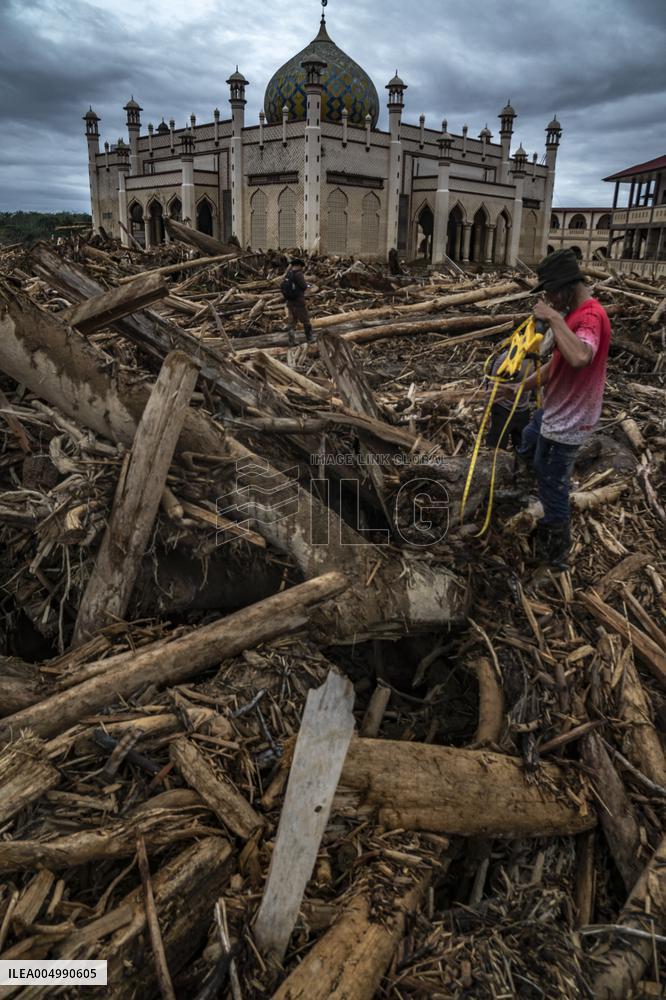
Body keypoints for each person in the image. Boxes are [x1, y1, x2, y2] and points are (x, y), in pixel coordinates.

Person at [498, 248, 611, 568]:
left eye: (549, 291)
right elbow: (556, 366)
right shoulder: (573, 317)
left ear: (564, 288)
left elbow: (579, 357)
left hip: (570, 420)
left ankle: (556, 548)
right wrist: (521, 387)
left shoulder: (589, 316)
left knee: (553, 481)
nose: (548, 297)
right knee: (529, 444)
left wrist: (553, 318)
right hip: (554, 411)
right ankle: (525, 494)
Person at [485, 349, 535, 450]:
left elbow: (537, 380)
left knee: (523, 445)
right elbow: (492, 387)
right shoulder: (505, 359)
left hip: (523, 408)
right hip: (503, 408)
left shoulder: (533, 359)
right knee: (497, 445)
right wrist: (487, 411)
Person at [281, 258, 314, 345]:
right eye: (302, 266)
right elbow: (303, 286)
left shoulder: (289, 273)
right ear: (299, 266)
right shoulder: (298, 274)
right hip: (299, 302)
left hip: (290, 302)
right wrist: (308, 285)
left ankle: (291, 340)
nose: (302, 268)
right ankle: (309, 338)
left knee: (292, 322)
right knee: (306, 320)